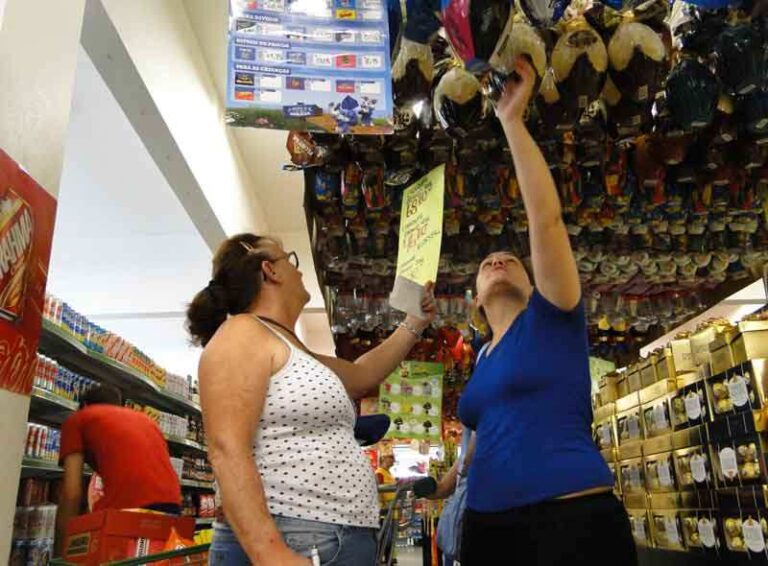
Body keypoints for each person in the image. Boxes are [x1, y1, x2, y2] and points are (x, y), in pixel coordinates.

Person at [457, 57, 637, 565]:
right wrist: (452, 476)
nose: (497, 259)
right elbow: (494, 427)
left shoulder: (554, 317)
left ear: (536, 284)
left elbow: (546, 220)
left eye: (511, 260)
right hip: (487, 527)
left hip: (570, 522)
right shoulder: (483, 357)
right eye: (487, 263)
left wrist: (511, 122)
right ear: (475, 302)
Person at [186, 235, 436, 566]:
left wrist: (414, 323)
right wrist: (269, 553)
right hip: (295, 536)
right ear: (269, 270)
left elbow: (361, 375)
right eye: (290, 259)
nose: (298, 270)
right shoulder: (242, 334)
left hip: (327, 536)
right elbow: (227, 448)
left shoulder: (289, 346)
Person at [54, 384, 181, 556]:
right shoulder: (146, 420)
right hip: (172, 507)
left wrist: (60, 553)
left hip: (126, 511)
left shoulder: (77, 420)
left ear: (83, 405)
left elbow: (71, 494)